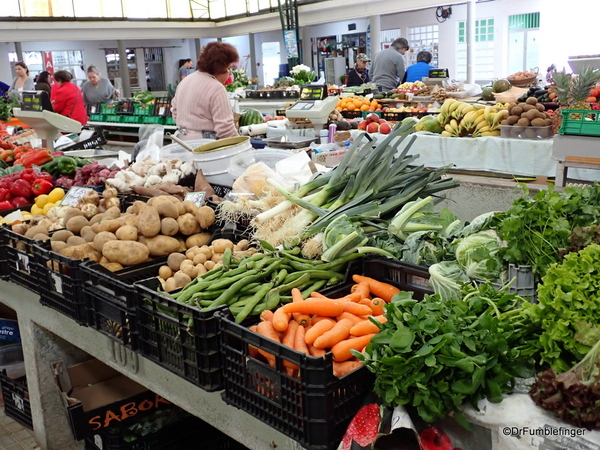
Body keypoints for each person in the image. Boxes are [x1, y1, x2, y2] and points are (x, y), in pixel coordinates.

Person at [171, 42, 239, 140]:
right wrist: (244, 147)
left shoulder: (185, 82)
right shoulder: (216, 88)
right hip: (205, 147)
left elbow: (174, 111)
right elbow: (225, 129)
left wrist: (189, 127)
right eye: (228, 68)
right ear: (220, 68)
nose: (229, 73)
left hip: (181, 141)